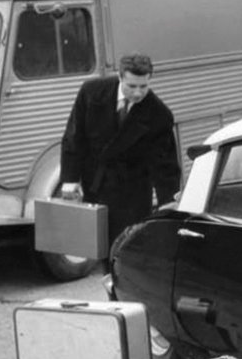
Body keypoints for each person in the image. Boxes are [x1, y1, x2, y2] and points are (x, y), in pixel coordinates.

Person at [60, 53, 181, 255]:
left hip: (131, 192)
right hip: (94, 184)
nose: (138, 93)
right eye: (132, 86)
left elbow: (165, 164)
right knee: (95, 247)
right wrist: (70, 178)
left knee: (125, 250)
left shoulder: (159, 114)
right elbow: (74, 135)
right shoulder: (91, 92)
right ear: (120, 76)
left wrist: (168, 201)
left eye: (143, 86)